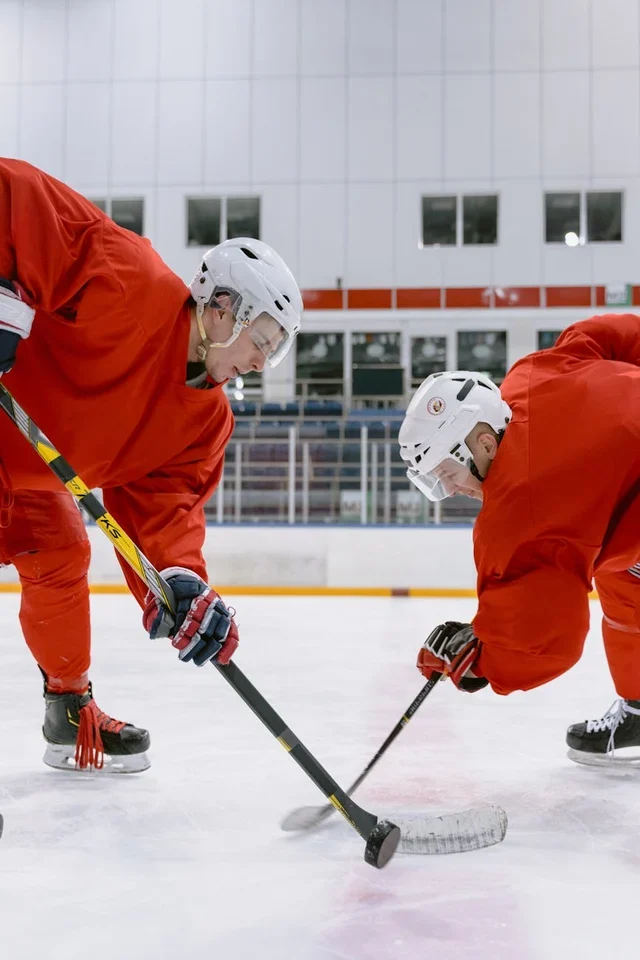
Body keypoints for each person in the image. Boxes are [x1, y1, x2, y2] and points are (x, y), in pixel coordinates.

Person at [0, 158, 302, 772]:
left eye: (274, 352)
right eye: (262, 340)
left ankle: (69, 711)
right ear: (222, 307)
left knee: (60, 553)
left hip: (28, 471)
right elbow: (16, 194)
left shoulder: (206, 422)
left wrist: (179, 580)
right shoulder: (129, 277)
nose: (260, 361)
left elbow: (166, 510)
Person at [398, 313, 640, 767]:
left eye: (447, 472)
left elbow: (546, 640)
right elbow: (599, 336)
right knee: (624, 575)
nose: (450, 489)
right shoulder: (529, 377)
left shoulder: (520, 510)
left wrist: (479, 663)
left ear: (484, 444)